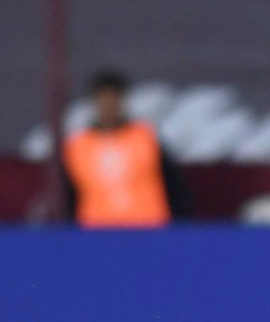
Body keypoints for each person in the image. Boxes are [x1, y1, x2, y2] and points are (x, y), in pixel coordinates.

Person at [61, 70, 187, 228]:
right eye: (103, 101)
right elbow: (68, 194)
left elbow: (174, 185)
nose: (108, 107)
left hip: (148, 228)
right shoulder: (78, 145)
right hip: (96, 230)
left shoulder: (145, 137)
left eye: (113, 100)